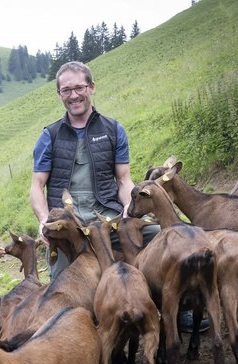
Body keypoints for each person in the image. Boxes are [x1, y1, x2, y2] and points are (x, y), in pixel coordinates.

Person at [29, 61, 208, 333]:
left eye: (79, 87)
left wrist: (128, 208)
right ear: (59, 95)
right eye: (66, 90)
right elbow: (37, 187)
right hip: (69, 224)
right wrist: (44, 221)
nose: (74, 95)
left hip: (108, 215)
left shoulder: (113, 129)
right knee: (63, 283)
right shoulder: (49, 136)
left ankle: (176, 308)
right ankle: (73, 337)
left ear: (91, 87)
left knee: (162, 237)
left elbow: (124, 179)